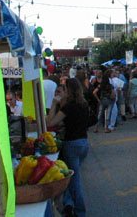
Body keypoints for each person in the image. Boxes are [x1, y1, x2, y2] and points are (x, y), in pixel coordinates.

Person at [47, 78, 90, 217]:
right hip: (84, 143)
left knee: (74, 182)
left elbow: (50, 122)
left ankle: (80, 212)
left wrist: (54, 103)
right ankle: (69, 205)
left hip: (72, 144)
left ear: (68, 90)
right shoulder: (83, 104)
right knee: (73, 177)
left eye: (64, 89)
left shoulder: (69, 106)